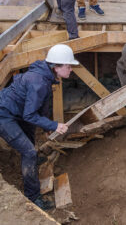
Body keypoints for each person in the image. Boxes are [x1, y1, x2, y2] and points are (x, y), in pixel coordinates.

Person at [0, 44, 79, 210]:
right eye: (68, 66)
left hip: (17, 110)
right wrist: (54, 125)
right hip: (4, 115)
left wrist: (46, 126)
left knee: (30, 136)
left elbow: (41, 105)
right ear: (56, 66)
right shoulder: (38, 82)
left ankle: (33, 161)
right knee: (28, 151)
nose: (71, 69)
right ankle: (33, 197)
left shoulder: (45, 76)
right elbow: (30, 114)